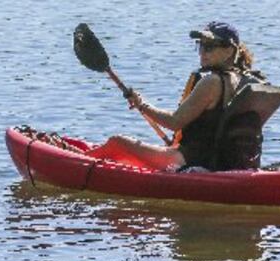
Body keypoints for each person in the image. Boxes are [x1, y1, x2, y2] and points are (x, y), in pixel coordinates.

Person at [88, 21, 263, 172]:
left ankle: (75, 160)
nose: (202, 52)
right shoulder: (244, 81)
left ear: (229, 51)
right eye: (200, 45)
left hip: (190, 161)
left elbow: (174, 122)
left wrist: (142, 105)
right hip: (220, 162)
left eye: (209, 46)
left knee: (117, 142)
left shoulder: (212, 82)